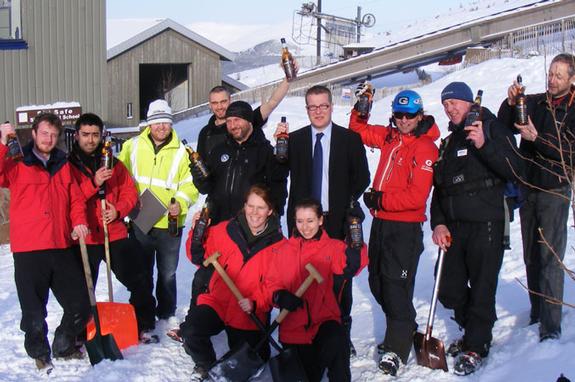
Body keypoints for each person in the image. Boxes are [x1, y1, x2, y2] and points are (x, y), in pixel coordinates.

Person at [431, 82, 523, 376]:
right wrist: (439, 222)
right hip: (455, 226)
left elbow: (515, 168)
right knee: (447, 285)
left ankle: (477, 343)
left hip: (487, 221)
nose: (450, 108)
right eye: (446, 104)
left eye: (455, 102)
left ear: (470, 103)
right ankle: (475, 327)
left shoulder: (491, 128)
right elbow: (439, 190)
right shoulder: (448, 143)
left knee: (483, 286)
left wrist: (484, 144)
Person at [348, 88, 440, 375]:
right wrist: (363, 107)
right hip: (381, 223)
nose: (403, 120)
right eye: (398, 115)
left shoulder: (426, 148)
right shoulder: (390, 137)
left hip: (405, 228)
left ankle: (396, 350)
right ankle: (405, 326)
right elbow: (357, 129)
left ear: (420, 115)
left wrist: (381, 200)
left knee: (395, 287)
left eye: (409, 116)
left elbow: (416, 197)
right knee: (377, 281)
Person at [274, 84, 370, 356]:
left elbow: (362, 177)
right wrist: (277, 149)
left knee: (340, 282)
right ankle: (306, 330)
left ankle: (341, 332)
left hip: (336, 220)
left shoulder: (349, 139)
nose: (318, 111)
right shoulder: (295, 139)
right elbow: (277, 172)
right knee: (303, 279)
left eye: (323, 106)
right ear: (306, 109)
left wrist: (346, 202)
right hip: (304, 223)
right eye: (312, 107)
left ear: (331, 106)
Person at [0, 115, 90, 370]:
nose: (48, 139)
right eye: (44, 134)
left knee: (81, 306)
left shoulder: (64, 164)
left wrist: (79, 221)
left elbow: (76, 200)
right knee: (34, 312)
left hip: (60, 245)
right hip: (29, 250)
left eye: (53, 134)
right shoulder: (17, 161)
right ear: (34, 133)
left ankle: (63, 344)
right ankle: (39, 352)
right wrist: (3, 144)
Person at [497, 53, 575, 342]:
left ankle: (551, 327)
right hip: (528, 187)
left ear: (571, 79)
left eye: (558, 75)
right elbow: (504, 125)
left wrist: (537, 139)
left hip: (555, 190)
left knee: (550, 257)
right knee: (531, 255)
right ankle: (537, 311)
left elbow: (570, 154)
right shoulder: (536, 101)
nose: (552, 80)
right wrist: (510, 102)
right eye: (550, 74)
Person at [178, 185, 286, 381]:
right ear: (244, 206)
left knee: (255, 358)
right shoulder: (225, 230)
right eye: (250, 206)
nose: (254, 213)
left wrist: (256, 302)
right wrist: (196, 233)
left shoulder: (279, 245)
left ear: (270, 211)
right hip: (217, 302)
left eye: (261, 208)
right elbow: (197, 256)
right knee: (191, 331)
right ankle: (208, 367)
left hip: (248, 311)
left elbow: (276, 285)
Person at [68, 113, 157, 342]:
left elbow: (130, 193)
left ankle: (143, 322)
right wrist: (94, 183)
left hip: (114, 233)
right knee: (80, 291)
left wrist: (118, 210)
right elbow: (70, 198)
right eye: (86, 135)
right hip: (86, 237)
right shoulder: (68, 166)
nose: (90, 140)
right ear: (77, 135)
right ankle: (78, 333)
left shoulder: (113, 163)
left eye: (95, 135)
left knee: (139, 278)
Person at [263, 198, 368, 382]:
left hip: (324, 323)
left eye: (310, 220)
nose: (305, 227)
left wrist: (355, 236)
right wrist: (279, 296)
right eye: (300, 221)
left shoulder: (333, 248)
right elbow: (270, 284)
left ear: (320, 220)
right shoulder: (283, 251)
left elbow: (354, 265)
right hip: (293, 331)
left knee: (337, 338)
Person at [118, 99, 198, 320]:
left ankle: (166, 312)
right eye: (157, 122)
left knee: (168, 274)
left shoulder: (183, 151)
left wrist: (179, 204)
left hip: (170, 224)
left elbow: (191, 185)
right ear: (149, 124)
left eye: (166, 122)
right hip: (140, 219)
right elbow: (119, 177)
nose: (161, 127)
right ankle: (143, 312)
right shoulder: (131, 146)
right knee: (142, 272)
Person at [192, 100, 287, 225]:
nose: (232, 125)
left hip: (251, 227)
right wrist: (199, 178)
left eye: (237, 120)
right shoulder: (218, 151)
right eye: (229, 121)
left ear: (249, 121)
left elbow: (278, 191)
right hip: (219, 225)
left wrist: (272, 220)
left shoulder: (265, 151)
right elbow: (206, 189)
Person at [194, 61, 298, 162]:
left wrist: (287, 79)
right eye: (215, 103)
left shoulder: (247, 120)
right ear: (210, 105)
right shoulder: (206, 133)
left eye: (223, 101)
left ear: (230, 100)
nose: (219, 106)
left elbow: (272, 103)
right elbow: (201, 164)